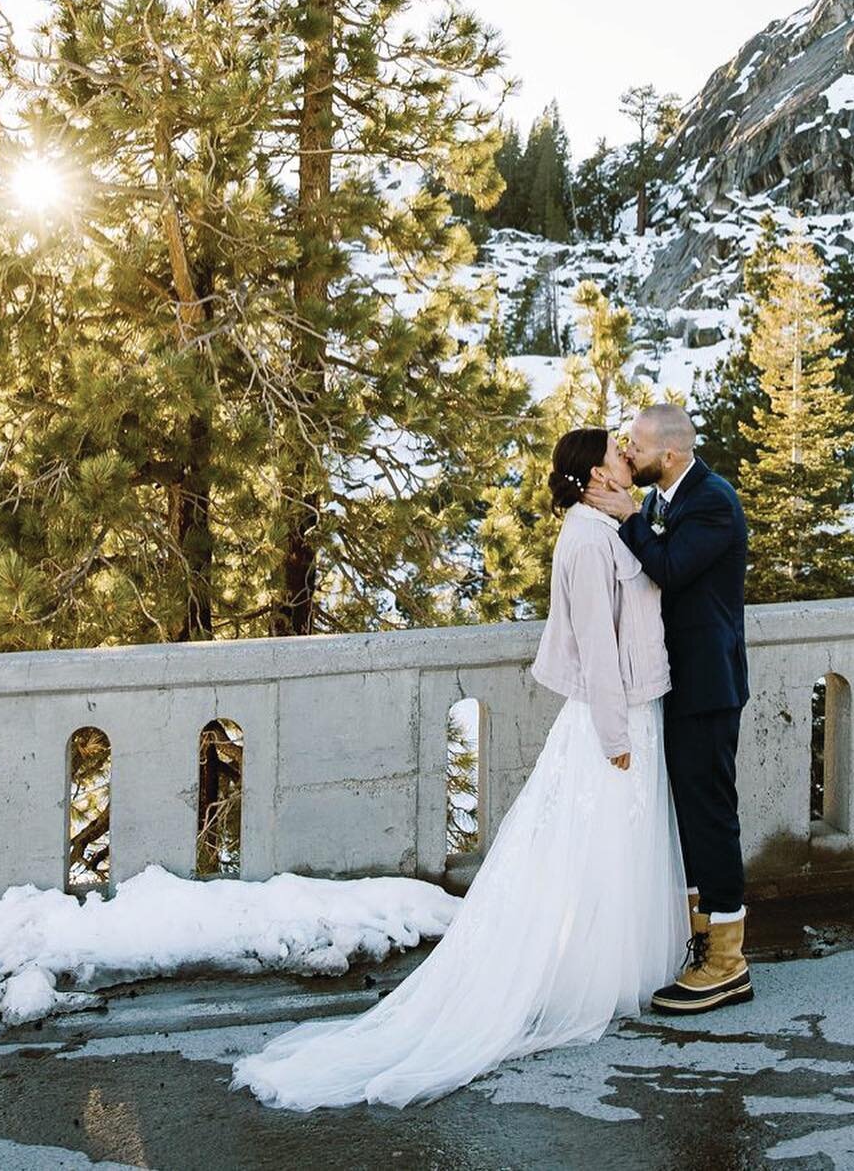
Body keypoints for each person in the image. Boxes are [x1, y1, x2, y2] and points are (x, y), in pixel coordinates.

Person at [229, 426, 686, 1111]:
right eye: (619, 453)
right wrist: (616, 733)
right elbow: (594, 645)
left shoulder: (611, 526)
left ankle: (607, 970)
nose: (631, 456)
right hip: (610, 718)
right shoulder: (588, 540)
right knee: (592, 848)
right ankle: (578, 980)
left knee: (615, 849)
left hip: (637, 707)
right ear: (596, 473)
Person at [585, 403, 752, 1014]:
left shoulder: (711, 500)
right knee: (690, 818)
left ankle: (729, 961)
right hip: (679, 685)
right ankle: (703, 940)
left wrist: (628, 515)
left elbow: (671, 568)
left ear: (671, 455)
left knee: (711, 815)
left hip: (708, 688)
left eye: (636, 447)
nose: (628, 454)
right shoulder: (669, 498)